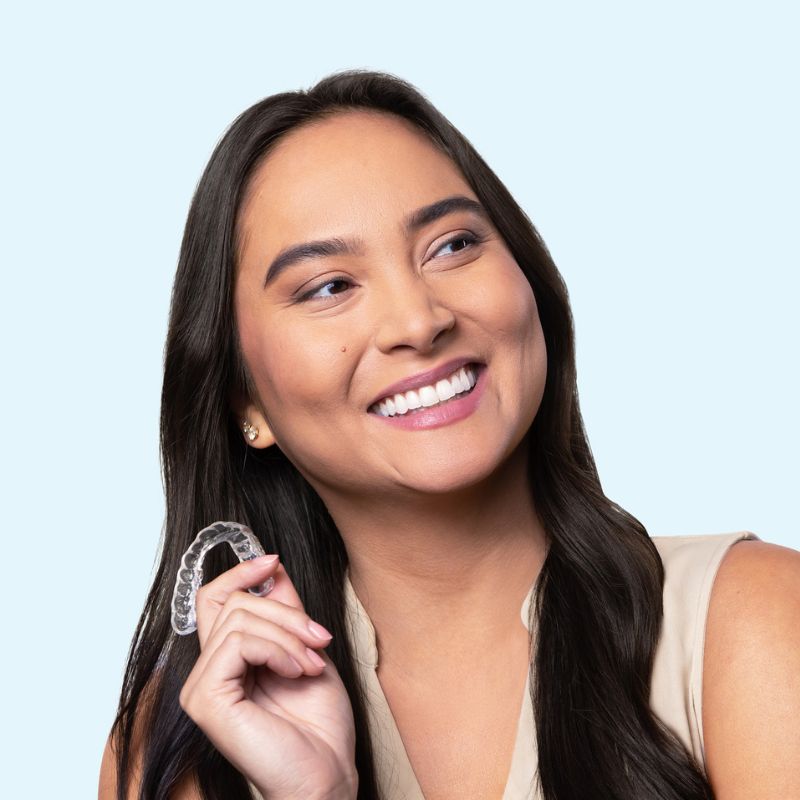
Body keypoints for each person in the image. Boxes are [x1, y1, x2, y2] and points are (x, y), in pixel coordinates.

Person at [99, 70, 800, 800]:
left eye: (453, 244)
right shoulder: (177, 743)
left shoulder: (754, 625)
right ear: (246, 402)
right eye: (330, 286)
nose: (419, 320)